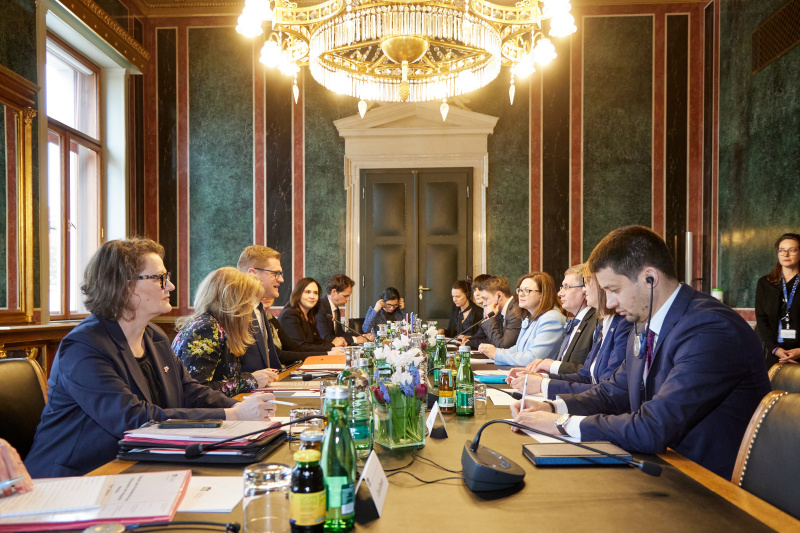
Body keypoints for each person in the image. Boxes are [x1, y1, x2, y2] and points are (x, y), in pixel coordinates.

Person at [510, 225, 771, 479]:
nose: (610, 303)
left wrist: (560, 423)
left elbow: (652, 427)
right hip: (663, 467)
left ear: (650, 279)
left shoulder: (709, 328)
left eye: (614, 290)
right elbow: (615, 392)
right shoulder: (644, 320)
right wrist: (552, 406)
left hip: (706, 486)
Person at [25, 238, 276, 478]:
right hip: (80, 478)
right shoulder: (84, 347)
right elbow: (133, 420)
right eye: (160, 278)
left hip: (141, 464)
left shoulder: (153, 335)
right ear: (124, 285)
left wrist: (240, 409)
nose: (170, 286)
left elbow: (190, 391)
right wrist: (232, 416)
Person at [508, 271, 632, 398]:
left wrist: (543, 384)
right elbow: (586, 375)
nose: (585, 289)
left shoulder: (611, 323)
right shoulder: (602, 323)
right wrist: (542, 377)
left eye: (567, 287)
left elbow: (608, 390)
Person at [172, 267, 278, 397]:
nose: (251, 309)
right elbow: (197, 392)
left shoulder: (217, 325)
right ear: (233, 302)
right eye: (249, 301)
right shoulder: (206, 329)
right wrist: (251, 380)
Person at [478, 272, 564, 365]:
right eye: (520, 290)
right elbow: (518, 349)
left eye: (527, 290)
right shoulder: (531, 316)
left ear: (542, 294)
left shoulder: (551, 319)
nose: (521, 294)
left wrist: (497, 354)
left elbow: (533, 358)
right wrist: (493, 351)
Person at [527, 264, 598, 375]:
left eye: (567, 287)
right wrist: (547, 368)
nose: (560, 293)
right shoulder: (577, 322)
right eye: (562, 287)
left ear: (585, 289)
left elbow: (592, 372)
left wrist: (553, 366)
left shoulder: (597, 323)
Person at [237, 245, 294, 372]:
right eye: (275, 273)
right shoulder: (234, 313)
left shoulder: (259, 309)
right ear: (253, 274)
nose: (281, 280)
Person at [755, 232, 800, 367]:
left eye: (791, 250)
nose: (785, 254)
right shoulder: (765, 283)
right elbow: (761, 319)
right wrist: (775, 349)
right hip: (775, 354)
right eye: (782, 250)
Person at [280, 278, 336, 352]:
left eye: (316, 293)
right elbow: (299, 347)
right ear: (298, 294)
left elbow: (317, 341)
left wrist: (335, 345)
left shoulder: (309, 314)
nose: (312, 297)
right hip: (294, 362)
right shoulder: (289, 314)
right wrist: (332, 345)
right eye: (307, 292)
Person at [470, 276, 523, 349]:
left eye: (485, 299)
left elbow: (502, 346)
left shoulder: (514, 312)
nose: (484, 304)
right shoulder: (504, 311)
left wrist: (490, 319)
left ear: (499, 296)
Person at [316, 274, 367, 345]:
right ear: (334, 292)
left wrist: (362, 337)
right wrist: (355, 340)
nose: (348, 299)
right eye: (345, 296)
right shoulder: (320, 308)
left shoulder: (335, 309)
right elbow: (326, 338)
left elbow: (340, 334)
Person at [462, 274, 492, 347]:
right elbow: (481, 334)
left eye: (480, 289)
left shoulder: (494, 310)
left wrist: (468, 343)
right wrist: (470, 339)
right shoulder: (485, 309)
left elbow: (491, 340)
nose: (476, 294)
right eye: (474, 290)